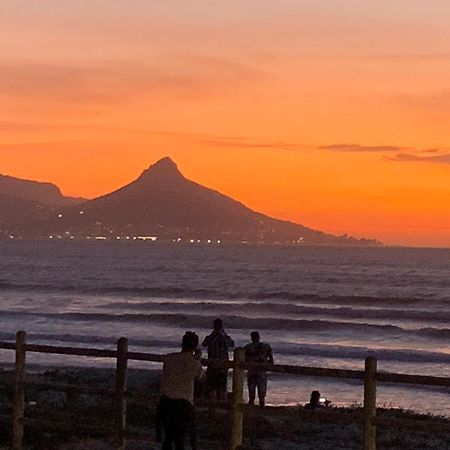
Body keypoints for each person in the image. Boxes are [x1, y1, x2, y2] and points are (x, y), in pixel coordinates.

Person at [157, 331, 203, 450]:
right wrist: (197, 358)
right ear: (195, 347)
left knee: (168, 437)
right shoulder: (195, 364)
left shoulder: (169, 358)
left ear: (182, 344)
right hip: (183, 405)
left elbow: (168, 368)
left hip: (165, 402)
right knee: (183, 438)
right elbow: (199, 378)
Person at [202, 318, 234, 403]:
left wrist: (213, 333)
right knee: (222, 387)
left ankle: (213, 405)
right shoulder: (224, 338)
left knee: (212, 387)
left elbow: (204, 343)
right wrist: (224, 334)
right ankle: (222, 404)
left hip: (212, 365)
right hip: (222, 366)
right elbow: (232, 343)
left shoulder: (211, 337)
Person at [244, 331, 274, 408]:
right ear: (259, 337)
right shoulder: (266, 346)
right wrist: (269, 365)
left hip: (252, 371)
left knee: (252, 393)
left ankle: (252, 407)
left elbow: (244, 360)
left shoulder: (247, 347)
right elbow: (271, 359)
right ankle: (261, 407)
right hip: (261, 372)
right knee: (261, 393)